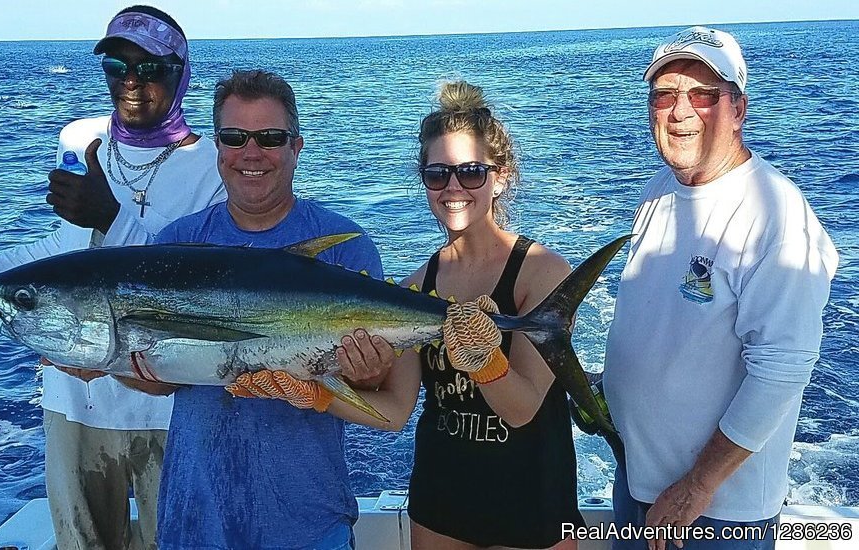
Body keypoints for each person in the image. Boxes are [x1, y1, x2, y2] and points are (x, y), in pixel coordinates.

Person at [235, 80, 586, 549]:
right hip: (441, 500)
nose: (453, 187)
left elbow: (522, 411)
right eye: (438, 174)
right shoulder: (413, 289)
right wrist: (315, 393)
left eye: (471, 172)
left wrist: (487, 363)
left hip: (532, 499)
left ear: (500, 177)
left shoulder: (542, 273)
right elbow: (395, 411)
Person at [0, 6, 225, 549]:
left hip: (170, 403)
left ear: (180, 73)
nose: (132, 82)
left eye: (151, 68)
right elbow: (60, 252)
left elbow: (201, 285)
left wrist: (112, 217)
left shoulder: (212, 163)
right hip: (74, 399)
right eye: (117, 66)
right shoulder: (83, 142)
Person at [602, 26, 839, 550]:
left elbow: (783, 368)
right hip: (638, 483)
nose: (680, 111)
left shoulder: (775, 215)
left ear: (738, 108)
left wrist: (696, 487)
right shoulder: (659, 189)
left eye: (703, 95)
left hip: (713, 512)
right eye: (664, 94)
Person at [129, 69, 384, 550]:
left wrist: (368, 373)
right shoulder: (177, 245)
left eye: (270, 137)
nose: (252, 153)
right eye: (234, 137)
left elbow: (373, 386)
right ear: (218, 149)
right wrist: (129, 366)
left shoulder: (344, 248)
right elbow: (160, 377)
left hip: (309, 521)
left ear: (296, 147)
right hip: (196, 518)